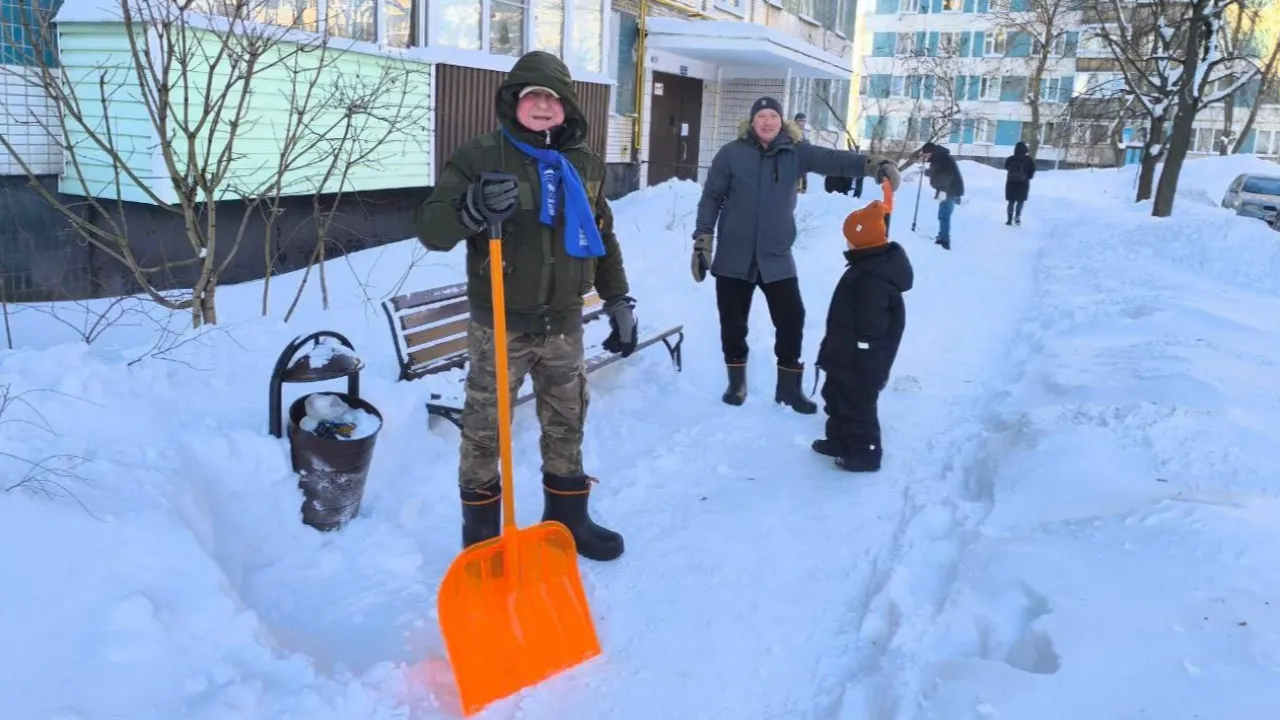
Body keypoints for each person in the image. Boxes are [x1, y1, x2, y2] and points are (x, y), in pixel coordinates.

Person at [415, 51, 636, 562]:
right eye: (532, 95)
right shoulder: (480, 157)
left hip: (563, 324)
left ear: (567, 108)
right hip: (500, 326)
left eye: (552, 97)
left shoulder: (584, 164)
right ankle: (483, 543)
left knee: (567, 420)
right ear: (514, 101)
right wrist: (471, 209)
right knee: (483, 433)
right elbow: (430, 229)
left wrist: (618, 297)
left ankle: (568, 519)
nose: (541, 105)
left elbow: (602, 235)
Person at [691, 96, 900, 414]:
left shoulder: (796, 152)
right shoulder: (730, 155)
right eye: (761, 115)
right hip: (734, 255)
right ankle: (736, 383)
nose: (767, 121)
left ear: (781, 121)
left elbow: (833, 160)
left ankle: (789, 388)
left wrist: (873, 164)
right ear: (752, 121)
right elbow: (711, 198)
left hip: (776, 256)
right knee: (733, 323)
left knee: (792, 318)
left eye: (772, 116)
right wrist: (703, 238)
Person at [812, 199, 914, 472]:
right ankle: (838, 440)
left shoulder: (872, 281)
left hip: (861, 362)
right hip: (843, 353)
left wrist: (867, 366)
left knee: (858, 405)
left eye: (850, 239)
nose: (847, 244)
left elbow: (872, 330)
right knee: (834, 396)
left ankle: (866, 453)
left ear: (861, 241)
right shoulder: (866, 268)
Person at [918, 142, 965, 250]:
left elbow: (946, 176)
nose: (925, 157)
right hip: (949, 190)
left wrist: (943, 191)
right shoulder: (939, 158)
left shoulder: (943, 158)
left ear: (931, 152)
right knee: (943, 215)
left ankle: (944, 240)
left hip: (949, 190)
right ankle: (942, 236)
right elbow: (936, 172)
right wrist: (925, 171)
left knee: (944, 216)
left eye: (925, 154)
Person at [1003, 141, 1036, 226]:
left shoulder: (1011, 158)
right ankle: (1017, 216)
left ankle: (1009, 219)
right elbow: (1032, 170)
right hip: (1023, 183)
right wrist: (1028, 176)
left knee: (1011, 202)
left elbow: (1006, 167)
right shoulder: (1028, 159)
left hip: (1011, 183)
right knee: (1020, 201)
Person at [794, 112, 809, 194]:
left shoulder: (804, 133)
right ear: (795, 122)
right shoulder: (792, 133)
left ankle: (802, 190)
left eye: (804, 121)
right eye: (800, 121)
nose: (802, 123)